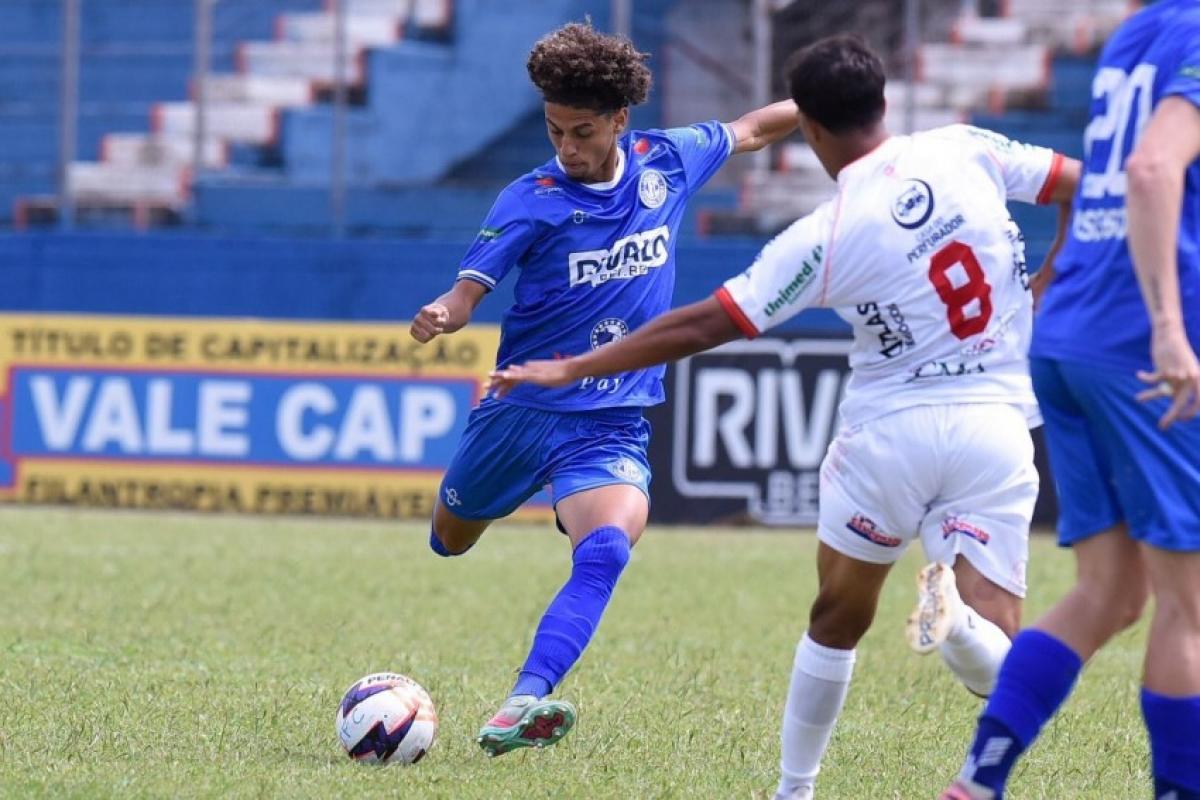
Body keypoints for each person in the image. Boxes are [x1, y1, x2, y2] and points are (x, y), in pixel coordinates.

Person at [491, 34, 1079, 799]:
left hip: (889, 438)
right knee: (994, 658)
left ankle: (794, 790)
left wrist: (575, 365)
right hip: (996, 428)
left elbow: (708, 322)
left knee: (836, 621)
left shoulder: (830, 232)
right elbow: (1080, 184)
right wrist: (1055, 273)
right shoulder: (969, 148)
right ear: (884, 102)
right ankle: (962, 625)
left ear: (809, 127)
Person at [408, 21, 803, 757]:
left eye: (582, 132)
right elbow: (465, 295)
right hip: (521, 409)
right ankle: (480, 512)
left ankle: (523, 701)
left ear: (621, 120)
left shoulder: (669, 161)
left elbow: (752, 129)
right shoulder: (529, 198)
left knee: (607, 550)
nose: (567, 147)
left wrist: (828, 105)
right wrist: (442, 313)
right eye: (555, 130)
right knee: (449, 540)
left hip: (611, 418)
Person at [941, 2, 1200, 798]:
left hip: (1070, 334)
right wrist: (1168, 328)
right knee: (1191, 607)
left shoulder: (1138, 32)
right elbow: (1152, 171)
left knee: (1109, 593)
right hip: (1137, 346)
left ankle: (978, 781)